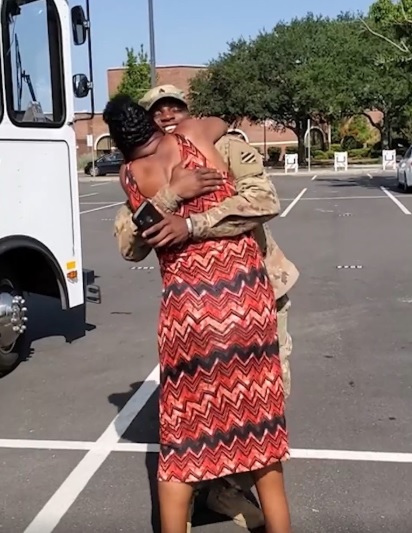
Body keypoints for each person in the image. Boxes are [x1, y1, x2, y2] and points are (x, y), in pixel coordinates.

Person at [114, 85, 299, 530]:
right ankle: (232, 496)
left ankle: (222, 492)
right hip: (241, 300)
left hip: (193, 309)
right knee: (260, 434)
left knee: (183, 440)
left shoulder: (131, 173)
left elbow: (264, 200)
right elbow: (129, 243)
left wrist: (181, 213)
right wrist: (175, 193)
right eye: (159, 111)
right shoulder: (199, 134)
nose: (169, 116)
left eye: (175, 108)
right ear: (149, 120)